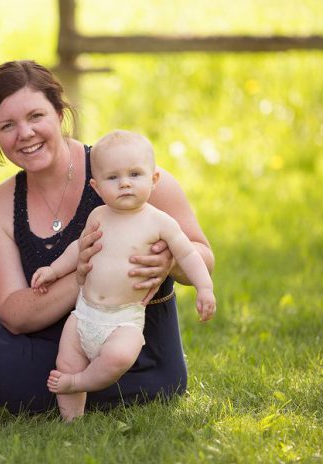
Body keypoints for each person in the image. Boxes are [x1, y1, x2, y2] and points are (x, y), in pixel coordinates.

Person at [0, 60, 215, 415]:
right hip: (42, 342)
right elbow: (13, 314)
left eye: (36, 116)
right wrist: (83, 273)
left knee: (2, 373)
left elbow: (202, 255)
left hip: (135, 350)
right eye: (7, 126)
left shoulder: (127, 175)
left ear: (59, 113)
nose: (24, 133)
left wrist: (169, 260)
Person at [30, 129, 216, 421]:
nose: (125, 183)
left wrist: (204, 289)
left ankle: (79, 383)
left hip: (124, 320)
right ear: (96, 186)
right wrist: (53, 270)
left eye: (135, 174)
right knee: (67, 359)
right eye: (113, 178)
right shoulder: (99, 216)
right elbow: (78, 248)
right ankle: (71, 420)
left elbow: (188, 254)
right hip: (85, 313)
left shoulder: (159, 221)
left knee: (118, 357)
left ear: (154, 180)